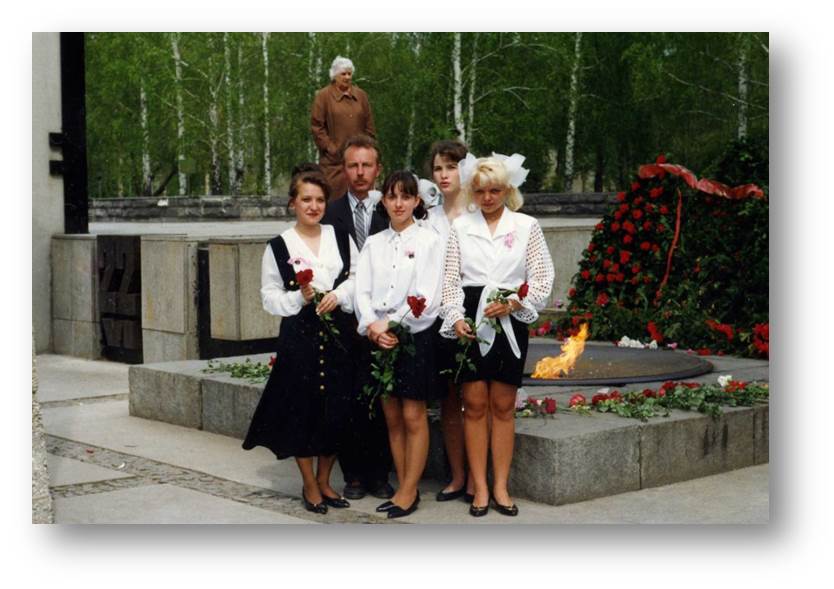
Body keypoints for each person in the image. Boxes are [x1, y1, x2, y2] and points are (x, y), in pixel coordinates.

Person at [440, 153, 555, 517]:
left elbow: (542, 278)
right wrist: (455, 317)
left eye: (495, 190)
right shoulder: (460, 227)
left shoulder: (526, 226)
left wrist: (516, 303)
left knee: (503, 406)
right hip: (472, 316)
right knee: (473, 405)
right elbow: (450, 281)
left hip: (509, 316)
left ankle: (502, 487)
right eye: (480, 191)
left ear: (507, 190)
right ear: (472, 192)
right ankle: (480, 488)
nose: (487, 198)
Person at [242, 169, 359, 515]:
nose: (313, 206)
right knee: (302, 410)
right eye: (306, 199)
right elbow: (269, 296)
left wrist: (339, 295)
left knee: (336, 408)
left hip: (338, 333)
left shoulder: (340, 236)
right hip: (300, 336)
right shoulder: (279, 245)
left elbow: (357, 277)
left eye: (320, 200)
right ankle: (309, 484)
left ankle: (325, 480)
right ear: (293, 203)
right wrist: (299, 298)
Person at [355, 170, 445, 519]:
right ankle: (405, 487)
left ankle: (409, 490)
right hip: (379, 338)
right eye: (392, 196)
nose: (398, 203)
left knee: (412, 414)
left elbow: (427, 296)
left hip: (413, 337)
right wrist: (372, 327)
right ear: (384, 201)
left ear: (416, 201)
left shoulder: (429, 241)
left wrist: (393, 325)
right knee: (392, 416)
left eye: (406, 197)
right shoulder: (374, 243)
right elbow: (362, 291)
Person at [321, 134, 393, 501]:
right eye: (353, 165)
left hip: (385, 320)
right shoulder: (330, 214)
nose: (360, 172)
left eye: (367, 165)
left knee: (382, 399)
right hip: (346, 322)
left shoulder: (392, 209)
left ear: (378, 169)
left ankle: (380, 474)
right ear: (344, 169)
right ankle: (353, 475)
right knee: (348, 397)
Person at [421, 140, 476, 503]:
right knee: (450, 401)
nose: (443, 175)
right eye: (438, 168)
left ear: (464, 169)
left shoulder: (478, 212)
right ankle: (457, 476)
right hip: (439, 315)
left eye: (451, 167)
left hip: (475, 309)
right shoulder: (428, 218)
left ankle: (477, 478)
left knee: (476, 399)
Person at [311, 56, 376, 199]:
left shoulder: (361, 96)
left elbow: (369, 126)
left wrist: (369, 150)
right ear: (334, 76)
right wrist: (330, 148)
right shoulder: (323, 96)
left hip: (359, 162)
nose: (347, 77)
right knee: (335, 203)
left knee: (361, 200)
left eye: (349, 74)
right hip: (334, 164)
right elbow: (317, 127)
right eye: (343, 74)